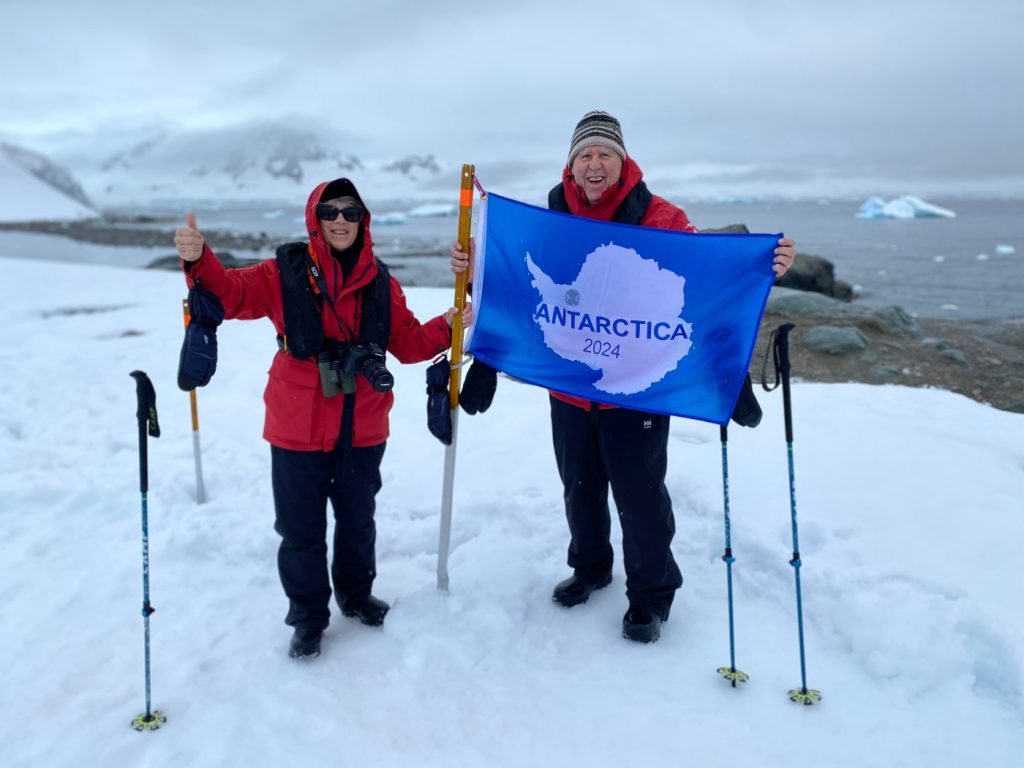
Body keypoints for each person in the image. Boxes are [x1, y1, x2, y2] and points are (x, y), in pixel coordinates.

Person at [451, 111, 795, 643]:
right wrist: (471, 265)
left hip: (635, 387)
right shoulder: (551, 218)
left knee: (640, 496)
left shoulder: (660, 217)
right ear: (571, 164)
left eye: (604, 154)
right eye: (584, 154)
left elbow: (703, 274)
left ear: (622, 161)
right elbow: (516, 281)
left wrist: (761, 264)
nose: (594, 163)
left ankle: (651, 596)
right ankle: (590, 567)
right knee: (580, 488)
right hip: (569, 383)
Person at [175, 177, 471, 659]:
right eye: (330, 211)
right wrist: (199, 258)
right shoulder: (282, 274)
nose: (340, 220)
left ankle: (356, 596)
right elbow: (229, 294)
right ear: (315, 219)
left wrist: (455, 323)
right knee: (300, 528)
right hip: (296, 424)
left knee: (358, 520)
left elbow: (410, 342)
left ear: (363, 221)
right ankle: (308, 616)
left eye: (350, 212)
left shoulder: (381, 282)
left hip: (363, 422)